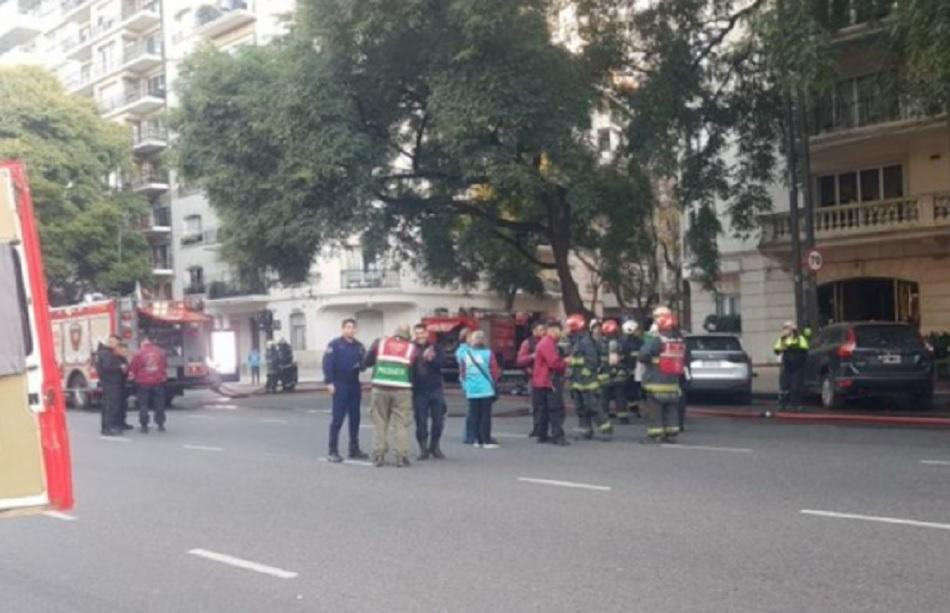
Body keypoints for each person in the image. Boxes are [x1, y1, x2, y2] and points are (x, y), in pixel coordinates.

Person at [365, 325, 420, 467]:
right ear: (407, 335)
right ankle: (401, 457)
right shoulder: (411, 348)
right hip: (402, 389)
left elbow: (367, 361)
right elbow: (418, 370)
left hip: (379, 388)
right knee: (401, 424)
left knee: (379, 423)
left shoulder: (380, 343)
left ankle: (379, 455)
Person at [322, 318, 368, 463]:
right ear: (343, 329)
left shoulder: (359, 346)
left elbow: (364, 364)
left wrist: (363, 365)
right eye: (348, 327)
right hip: (339, 384)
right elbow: (327, 364)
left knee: (355, 419)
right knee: (338, 419)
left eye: (353, 328)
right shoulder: (334, 345)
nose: (350, 330)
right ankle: (332, 450)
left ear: (356, 330)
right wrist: (329, 382)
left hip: (354, 384)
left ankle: (354, 449)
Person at [638, 306, 686, 443]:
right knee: (671, 409)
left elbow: (643, 355)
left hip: (656, 381)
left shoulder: (657, 340)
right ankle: (671, 433)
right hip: (672, 383)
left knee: (655, 410)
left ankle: (656, 434)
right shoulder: (679, 340)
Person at [565, 314, 612, 440]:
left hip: (587, 380)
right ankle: (586, 430)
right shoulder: (576, 340)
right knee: (581, 407)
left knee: (593, 406)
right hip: (578, 380)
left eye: (569, 327)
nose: (567, 329)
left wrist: (573, 363)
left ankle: (606, 430)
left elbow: (592, 361)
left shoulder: (584, 341)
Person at [460, 330, 501, 448]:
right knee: (485, 415)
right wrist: (494, 383)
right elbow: (494, 371)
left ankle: (475, 439)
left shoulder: (465, 354)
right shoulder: (488, 354)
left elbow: (463, 373)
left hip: (471, 389)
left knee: (474, 415)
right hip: (485, 388)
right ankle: (485, 440)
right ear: (484, 341)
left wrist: (465, 386)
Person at [411, 323, 447, 460]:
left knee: (438, 421)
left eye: (422, 333)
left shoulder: (436, 347)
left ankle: (435, 446)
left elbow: (442, 364)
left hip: (435, 388)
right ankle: (423, 449)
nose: (420, 335)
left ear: (427, 333)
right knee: (421, 421)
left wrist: (431, 359)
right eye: (417, 333)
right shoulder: (410, 348)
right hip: (418, 390)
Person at [532, 320, 569, 446]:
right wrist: (566, 362)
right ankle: (557, 436)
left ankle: (542, 435)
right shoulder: (548, 343)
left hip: (542, 381)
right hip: (549, 381)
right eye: (560, 330)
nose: (562, 333)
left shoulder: (546, 343)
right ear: (554, 330)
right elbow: (553, 363)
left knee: (544, 410)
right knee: (556, 409)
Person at [129, 338, 168, 433]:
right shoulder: (160, 352)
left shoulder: (138, 353)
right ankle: (160, 424)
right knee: (159, 404)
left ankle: (144, 425)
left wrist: (135, 375)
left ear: (142, 344)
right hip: (158, 381)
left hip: (143, 382)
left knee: (143, 404)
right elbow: (164, 365)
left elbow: (134, 367)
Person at [517, 323, 546, 437]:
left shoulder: (550, 342)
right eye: (541, 329)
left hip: (548, 377)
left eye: (544, 329)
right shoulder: (527, 343)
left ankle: (545, 428)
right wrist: (532, 356)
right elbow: (520, 360)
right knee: (536, 404)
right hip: (533, 377)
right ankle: (537, 427)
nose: (543, 331)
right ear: (534, 331)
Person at [95, 334, 127, 436]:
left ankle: (111, 426)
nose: (117, 346)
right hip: (110, 383)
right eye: (116, 343)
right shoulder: (105, 353)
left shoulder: (107, 353)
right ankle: (108, 428)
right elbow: (108, 366)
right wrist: (119, 367)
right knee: (110, 406)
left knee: (111, 405)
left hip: (111, 382)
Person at [774, 321, 809, 412]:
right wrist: (782, 346)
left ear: (793, 329)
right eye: (784, 328)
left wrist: (792, 348)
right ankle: (783, 405)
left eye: (787, 328)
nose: (785, 330)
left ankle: (796, 405)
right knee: (784, 386)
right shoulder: (782, 339)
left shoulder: (800, 338)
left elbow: (805, 350)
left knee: (796, 386)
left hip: (798, 367)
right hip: (786, 366)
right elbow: (776, 350)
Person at [599, 319, 629, 423]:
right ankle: (622, 417)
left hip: (604, 374)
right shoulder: (621, 342)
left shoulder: (600, 342)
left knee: (604, 396)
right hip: (619, 373)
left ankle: (605, 416)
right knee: (620, 395)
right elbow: (626, 357)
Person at [620, 320, 644, 420]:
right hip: (628, 371)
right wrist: (628, 369)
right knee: (628, 391)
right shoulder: (625, 343)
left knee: (635, 391)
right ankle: (631, 409)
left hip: (637, 371)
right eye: (636, 329)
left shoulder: (639, 342)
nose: (638, 331)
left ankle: (634, 408)